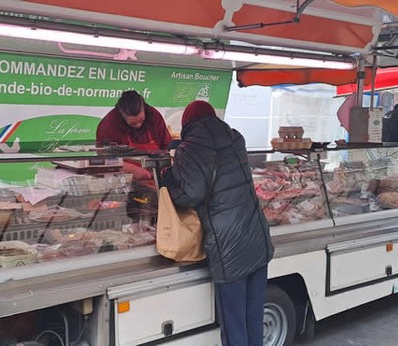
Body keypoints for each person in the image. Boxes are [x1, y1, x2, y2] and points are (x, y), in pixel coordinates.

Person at [159, 100, 274, 346]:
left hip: (228, 246)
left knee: (233, 326)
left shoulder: (190, 149)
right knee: (253, 317)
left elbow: (190, 194)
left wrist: (168, 178)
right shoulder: (236, 138)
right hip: (257, 237)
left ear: (187, 123)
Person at [96, 90, 172, 151]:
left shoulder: (153, 115)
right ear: (121, 115)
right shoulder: (108, 125)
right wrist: (137, 170)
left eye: (142, 120)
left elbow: (166, 144)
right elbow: (106, 156)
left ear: (144, 108)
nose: (138, 125)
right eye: (132, 123)